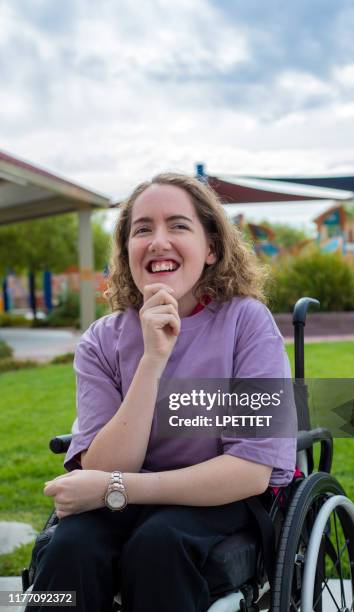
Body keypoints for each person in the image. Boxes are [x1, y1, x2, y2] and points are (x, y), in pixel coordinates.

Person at [31, 173, 296, 612]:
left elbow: (251, 471)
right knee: (69, 548)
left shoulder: (246, 323)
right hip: (124, 499)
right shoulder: (101, 341)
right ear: (126, 251)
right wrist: (152, 359)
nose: (158, 241)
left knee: (158, 544)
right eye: (142, 229)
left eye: (178, 225)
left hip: (220, 498)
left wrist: (118, 487)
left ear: (211, 248)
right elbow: (107, 465)